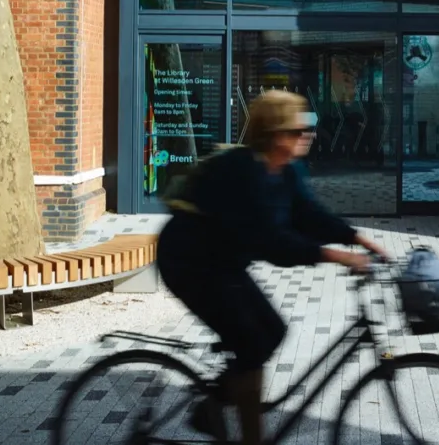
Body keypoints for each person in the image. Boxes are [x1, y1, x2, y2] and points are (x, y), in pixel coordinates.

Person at [157, 89, 387, 445]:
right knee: (250, 338)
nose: (306, 135)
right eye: (297, 130)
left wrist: (356, 238)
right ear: (274, 135)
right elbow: (271, 242)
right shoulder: (242, 172)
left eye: (307, 128)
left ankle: (216, 404)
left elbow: (308, 214)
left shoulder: (287, 170)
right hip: (189, 261)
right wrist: (336, 256)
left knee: (273, 332)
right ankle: (241, 428)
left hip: (223, 260)